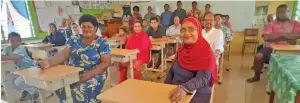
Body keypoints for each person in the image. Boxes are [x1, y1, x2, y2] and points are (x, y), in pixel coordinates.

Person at [38, 14, 111, 103]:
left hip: (94, 73)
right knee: (60, 87)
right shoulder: (74, 39)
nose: (86, 29)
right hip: (73, 72)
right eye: (83, 26)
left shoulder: (102, 43)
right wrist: (49, 62)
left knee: (80, 89)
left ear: (95, 28)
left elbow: (106, 63)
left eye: (89, 27)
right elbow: (64, 54)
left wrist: (89, 74)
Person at [165, 17, 217, 103]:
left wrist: (184, 88)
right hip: (175, 90)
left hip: (196, 92)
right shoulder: (181, 50)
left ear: (199, 31)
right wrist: (164, 87)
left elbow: (203, 78)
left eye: (191, 29)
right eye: (183, 30)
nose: (187, 33)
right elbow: (171, 72)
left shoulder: (207, 52)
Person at [247, 4, 300, 83]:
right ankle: (256, 76)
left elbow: (297, 35)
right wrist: (288, 37)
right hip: (271, 48)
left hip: (290, 49)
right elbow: (267, 38)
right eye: (278, 13)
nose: (280, 14)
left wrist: (279, 35)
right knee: (258, 56)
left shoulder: (295, 23)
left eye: (282, 12)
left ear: (288, 12)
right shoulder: (271, 24)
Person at [1, 32, 38, 101]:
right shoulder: (7, 48)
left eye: (17, 41)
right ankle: (27, 90)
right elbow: (2, 56)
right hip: (21, 69)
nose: (15, 43)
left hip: (30, 68)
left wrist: (4, 57)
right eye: (12, 40)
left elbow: (17, 57)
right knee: (10, 81)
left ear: (20, 41)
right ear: (8, 40)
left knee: (18, 82)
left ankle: (35, 91)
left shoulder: (21, 47)